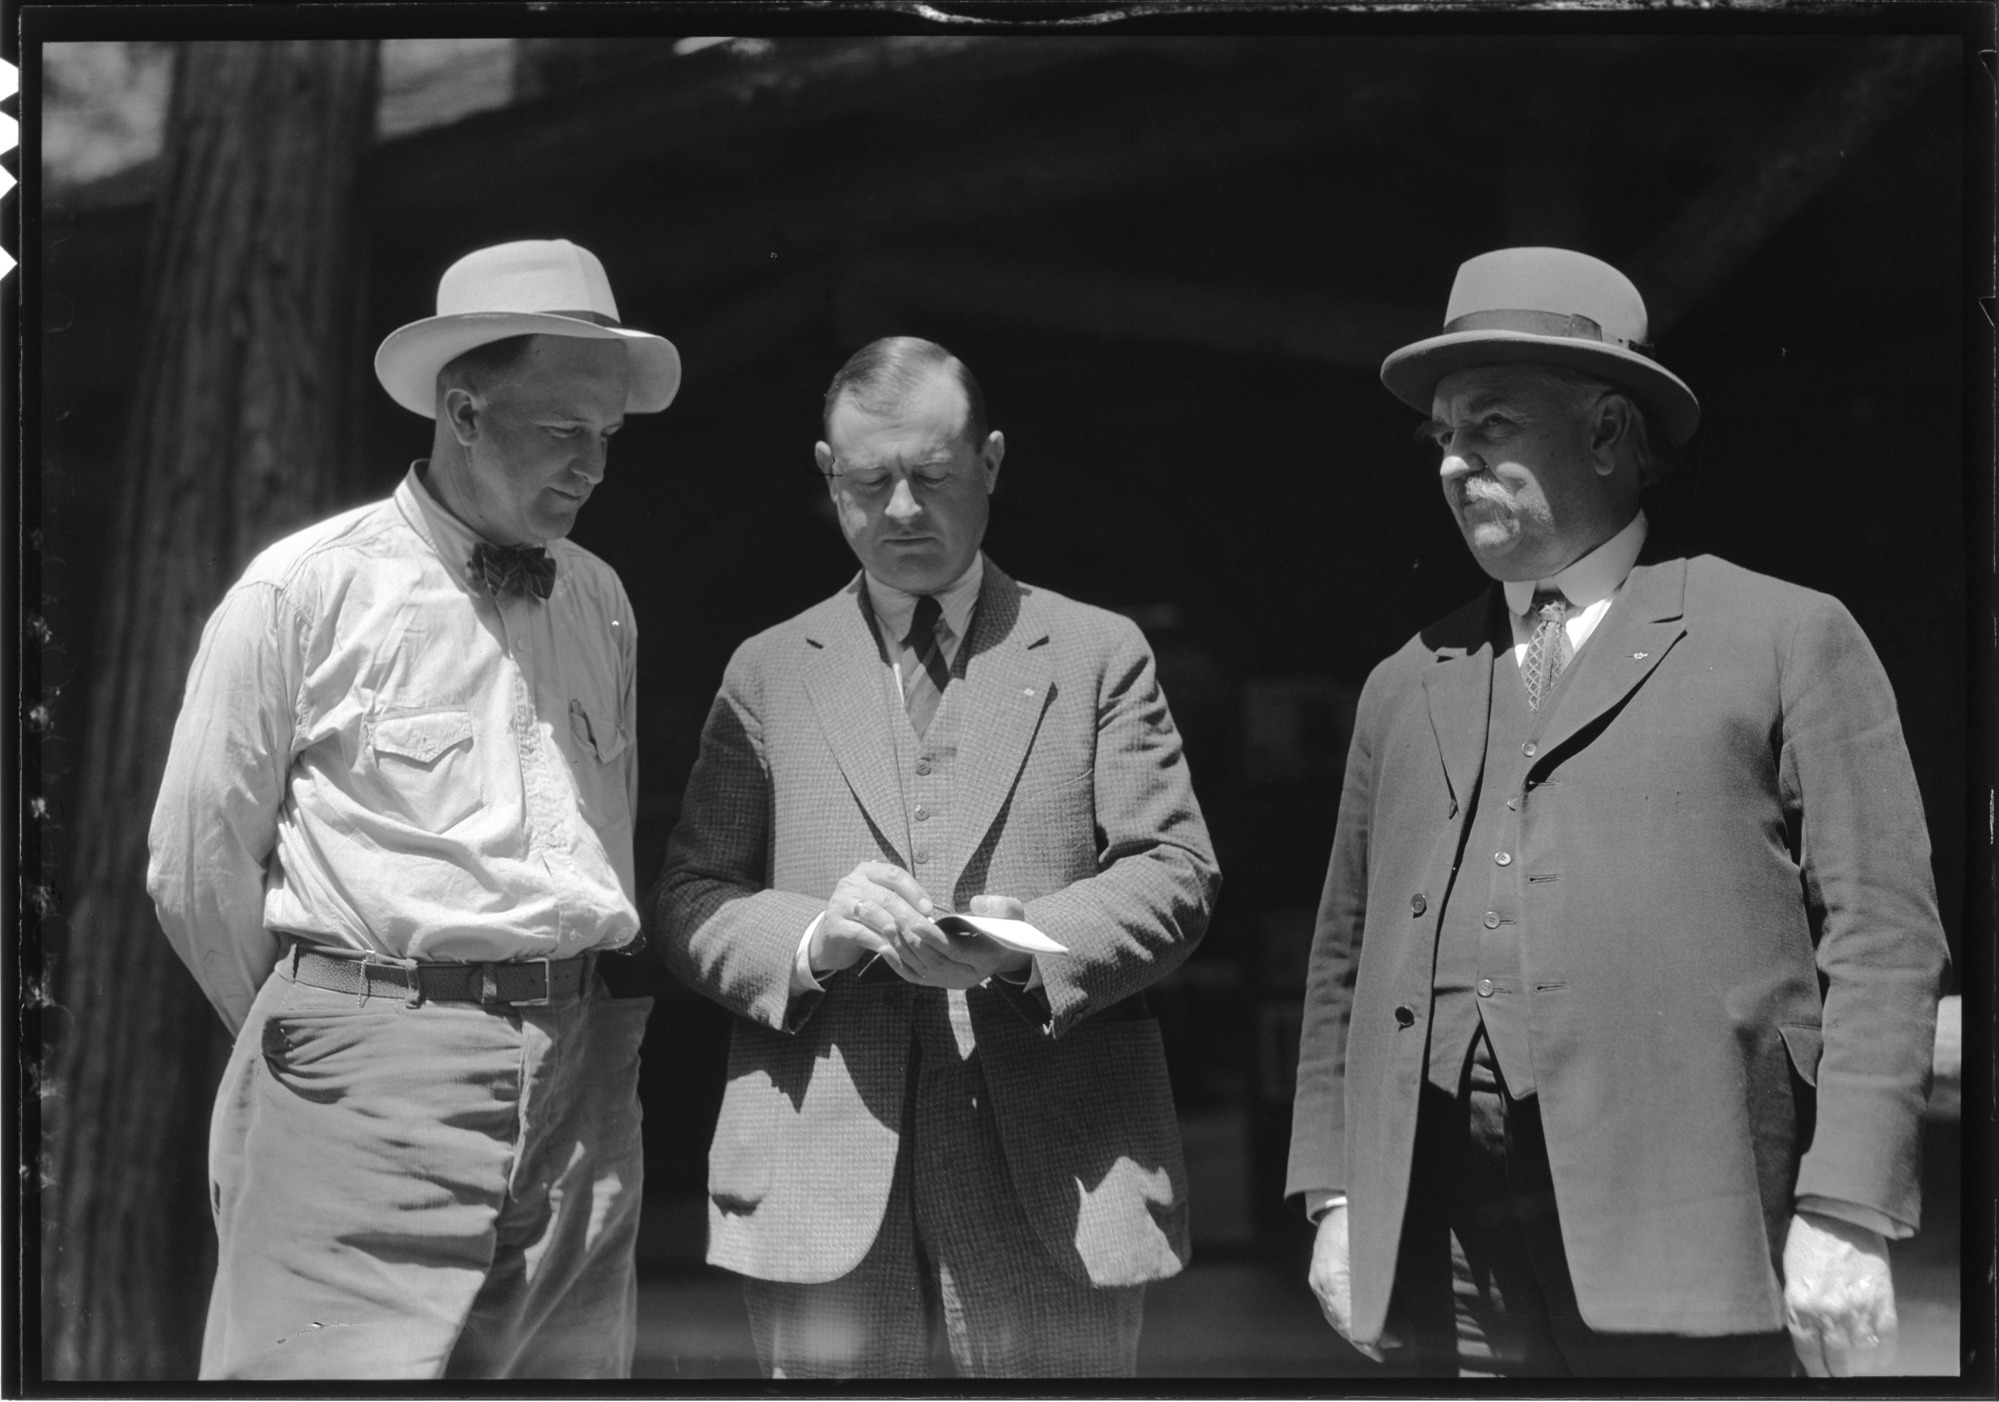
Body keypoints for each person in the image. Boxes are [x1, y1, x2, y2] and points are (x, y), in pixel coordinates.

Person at [1286, 247, 1948, 1378]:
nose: (1451, 463)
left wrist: (1847, 1205)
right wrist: (1336, 1194)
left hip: (1691, 1221)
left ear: (1604, 433)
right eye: (1440, 435)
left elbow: (1884, 935)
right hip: (1441, 1238)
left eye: (1488, 425)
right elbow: (1342, 957)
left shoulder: (1784, 634)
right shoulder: (1407, 679)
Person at [147, 239, 680, 1380]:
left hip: (583, 1082)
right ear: (464, 411)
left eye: (607, 436)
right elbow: (195, 870)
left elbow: (605, 835)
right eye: (561, 431)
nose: (593, 467)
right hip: (359, 1074)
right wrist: (335, 1042)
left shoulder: (601, 599)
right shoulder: (307, 587)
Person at [651, 336, 1219, 1378]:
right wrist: (816, 934)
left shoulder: (1097, 652)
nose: (904, 509)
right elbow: (691, 896)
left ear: (992, 463)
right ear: (828, 477)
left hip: (1057, 1182)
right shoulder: (768, 670)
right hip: (820, 1191)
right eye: (871, 481)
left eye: (934, 474)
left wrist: (1024, 946)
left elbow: (1174, 871)